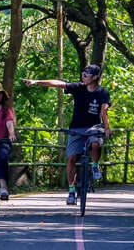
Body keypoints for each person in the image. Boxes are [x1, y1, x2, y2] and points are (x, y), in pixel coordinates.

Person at [22, 64, 111, 205]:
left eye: (87, 74)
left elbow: (104, 111)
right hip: (76, 127)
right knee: (71, 159)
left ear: (95, 77)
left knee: (96, 143)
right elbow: (58, 83)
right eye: (83, 73)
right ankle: (71, 191)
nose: (83, 76)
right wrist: (36, 82)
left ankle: (95, 165)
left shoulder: (103, 92)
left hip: (94, 127)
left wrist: (106, 128)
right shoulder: (78, 88)